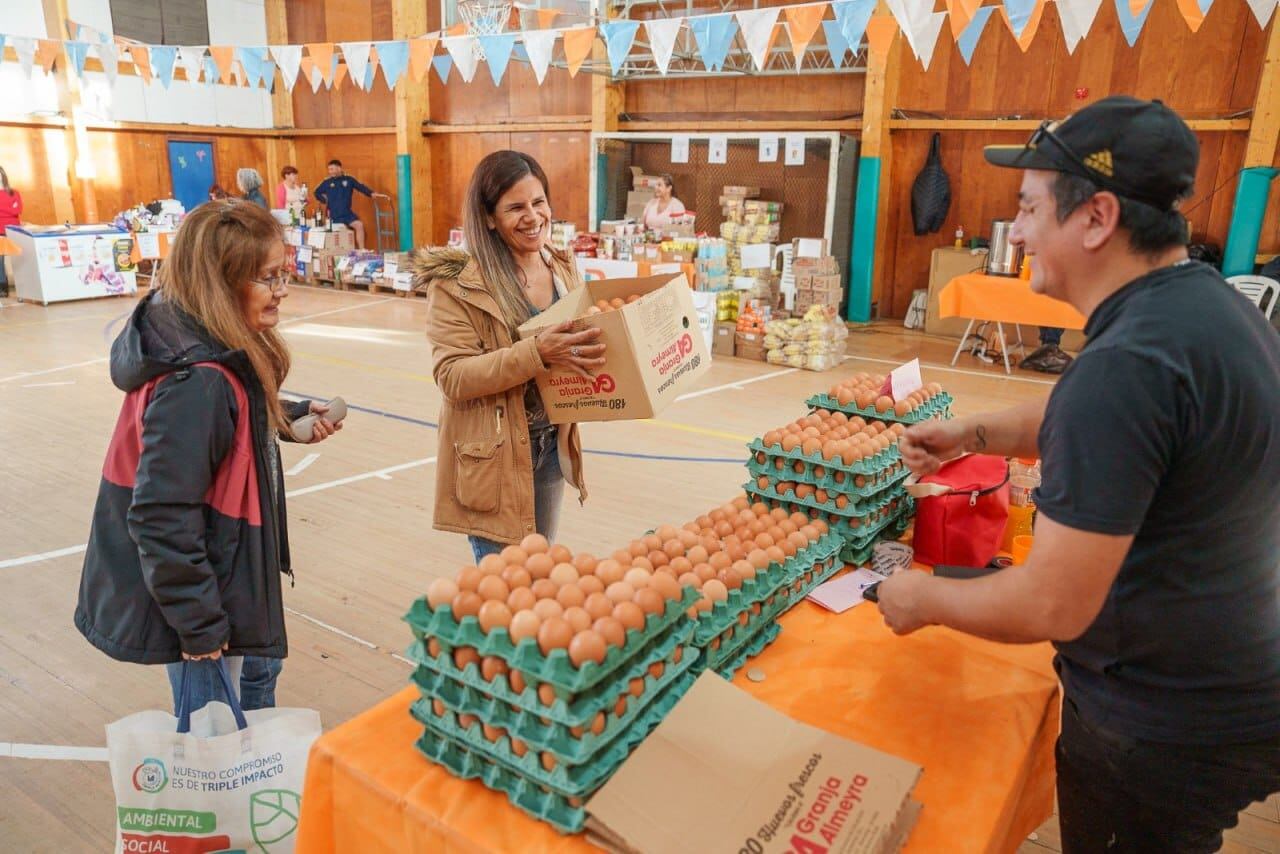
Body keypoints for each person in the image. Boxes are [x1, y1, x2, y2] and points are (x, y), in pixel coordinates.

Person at [876, 97, 1280, 853]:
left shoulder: (1126, 368)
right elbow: (1099, 409)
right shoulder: (1206, 309)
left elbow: (1051, 603)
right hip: (1238, 663)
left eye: (1028, 209)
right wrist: (976, 430)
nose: (1018, 232)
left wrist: (919, 596)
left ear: (1095, 218)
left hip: (1162, 721)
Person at [73, 200, 343, 715]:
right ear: (221, 283)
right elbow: (160, 515)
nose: (281, 291)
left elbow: (228, 422)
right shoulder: (197, 380)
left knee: (250, 699)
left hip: (227, 580)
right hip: (209, 599)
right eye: (267, 278)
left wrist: (287, 417)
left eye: (281, 274)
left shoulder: (200, 346)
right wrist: (199, 626)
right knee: (222, 743)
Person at [410, 151, 604, 561]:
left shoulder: (561, 267)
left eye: (539, 202)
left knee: (539, 568)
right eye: (515, 207)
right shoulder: (458, 284)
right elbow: (453, 376)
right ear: (487, 218)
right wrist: (537, 352)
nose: (533, 216)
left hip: (550, 445)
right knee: (507, 587)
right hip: (492, 456)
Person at [314, 159, 388, 250]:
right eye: (329, 169)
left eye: (332, 169)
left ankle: (362, 250)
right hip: (333, 215)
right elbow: (316, 192)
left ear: (339, 168)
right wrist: (324, 200)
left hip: (347, 213)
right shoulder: (327, 182)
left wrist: (371, 193)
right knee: (343, 231)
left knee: (359, 225)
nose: (330, 172)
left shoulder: (349, 179)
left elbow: (360, 186)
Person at [0, 165, 23, 296]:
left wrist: (2, 210)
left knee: (20, 257)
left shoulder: (14, 192)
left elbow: (18, 210)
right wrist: (9, 209)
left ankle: (28, 286)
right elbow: (13, 210)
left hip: (14, 229)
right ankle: (2, 286)